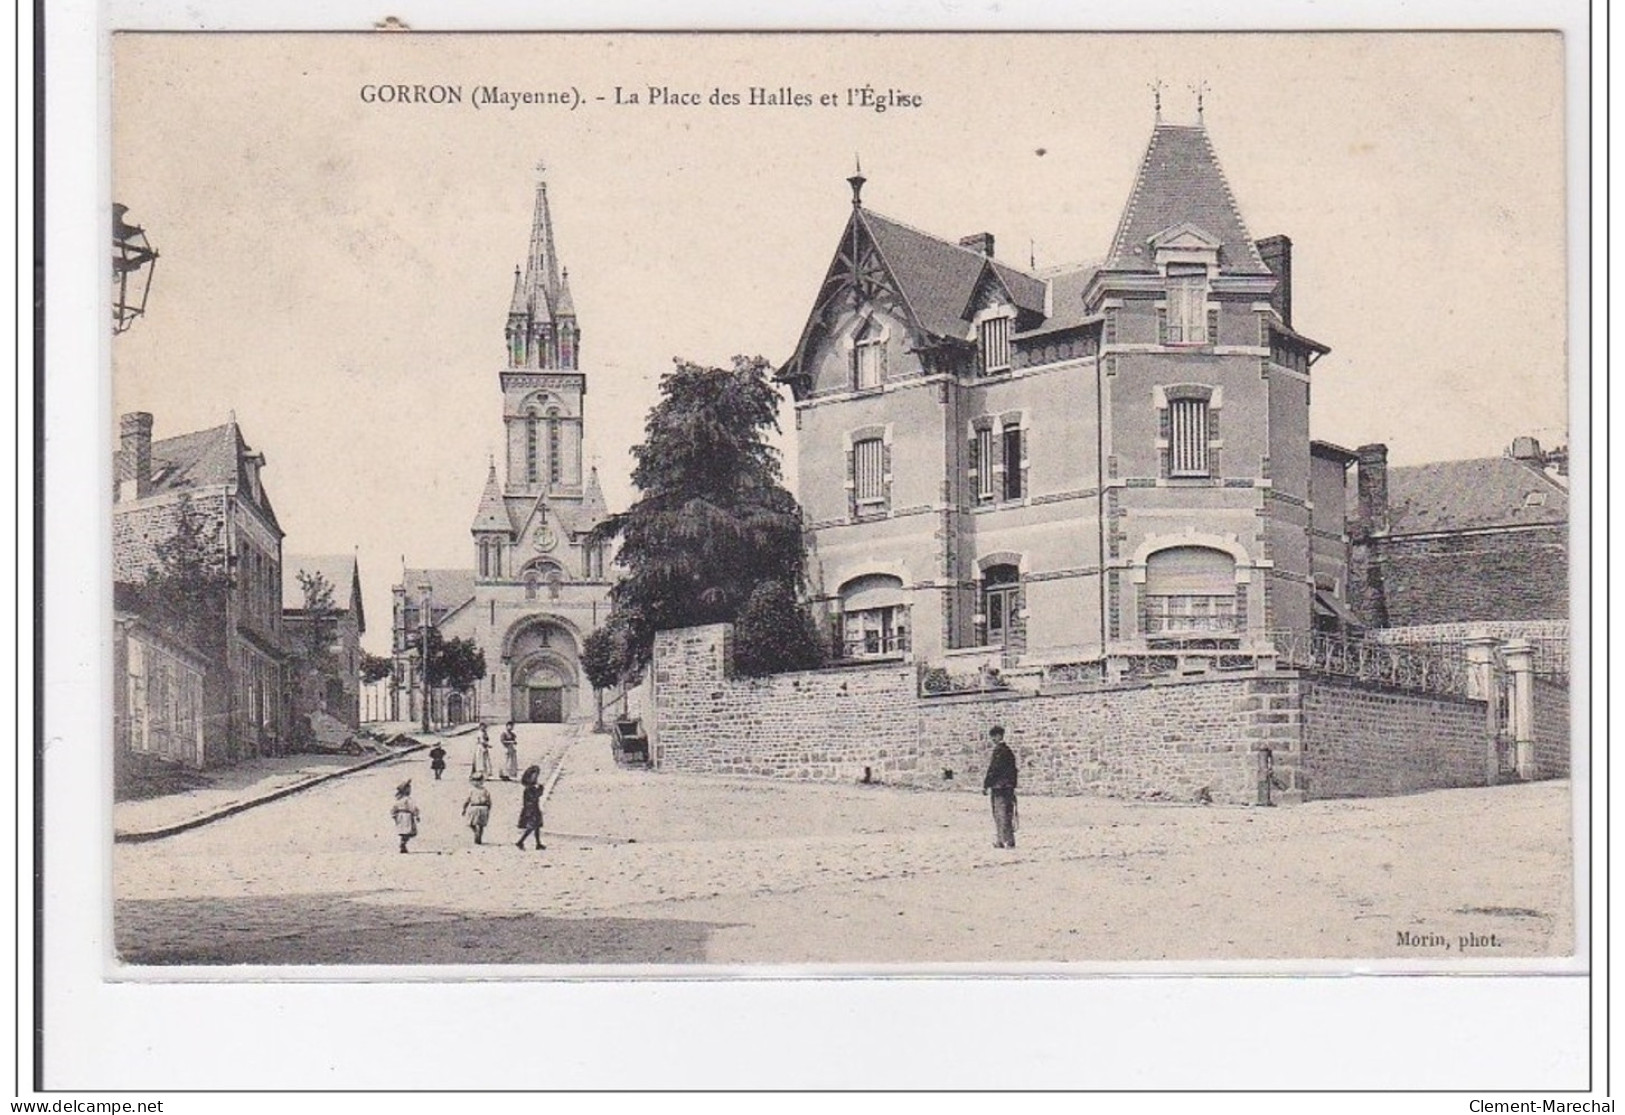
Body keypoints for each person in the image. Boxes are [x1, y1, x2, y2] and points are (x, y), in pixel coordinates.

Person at [982, 725, 1018, 849]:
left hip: (999, 787)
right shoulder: (1009, 751)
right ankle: (1010, 840)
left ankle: (1002, 841)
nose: (992, 739)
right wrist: (1012, 785)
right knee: (1008, 813)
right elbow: (1014, 771)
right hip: (1008, 787)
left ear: (998, 736)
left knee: (1000, 814)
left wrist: (986, 784)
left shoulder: (998, 751)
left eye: (993, 737)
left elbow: (993, 770)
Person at [515, 764, 545, 850]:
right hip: (530, 810)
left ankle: (538, 843)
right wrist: (540, 789)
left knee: (537, 826)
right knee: (532, 826)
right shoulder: (529, 789)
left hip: (534, 808)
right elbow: (535, 797)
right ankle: (520, 841)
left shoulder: (531, 788)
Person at [391, 780, 420, 854]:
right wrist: (416, 815)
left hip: (400, 816)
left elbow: (394, 808)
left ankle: (403, 844)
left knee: (404, 832)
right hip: (407, 817)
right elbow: (412, 807)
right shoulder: (407, 799)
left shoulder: (399, 800)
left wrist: (394, 815)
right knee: (408, 832)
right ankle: (403, 844)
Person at [462, 773, 493, 845]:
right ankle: (477, 833)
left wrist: (489, 808)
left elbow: (489, 800)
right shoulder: (473, 790)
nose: (477, 782)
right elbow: (467, 800)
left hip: (480, 807)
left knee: (479, 824)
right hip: (476, 807)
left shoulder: (484, 791)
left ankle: (478, 837)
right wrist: (464, 808)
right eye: (475, 781)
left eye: (479, 781)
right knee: (472, 823)